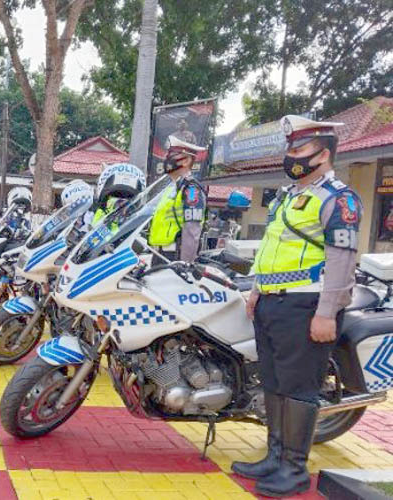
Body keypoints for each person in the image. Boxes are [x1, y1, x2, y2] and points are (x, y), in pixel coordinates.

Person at [231, 115, 361, 497]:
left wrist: (326, 311)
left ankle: (294, 468)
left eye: (300, 149)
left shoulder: (339, 199)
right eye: (290, 149)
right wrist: (257, 288)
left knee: (300, 387)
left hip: (307, 304)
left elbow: (341, 258)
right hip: (273, 303)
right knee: (274, 382)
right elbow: (272, 250)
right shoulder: (289, 196)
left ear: (324, 153)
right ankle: (274, 456)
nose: (292, 156)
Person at [147, 136, 208, 263]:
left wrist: (185, 264)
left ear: (185, 161)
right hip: (159, 254)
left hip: (174, 258)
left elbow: (192, 230)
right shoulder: (171, 188)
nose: (166, 158)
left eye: (171, 154)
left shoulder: (191, 189)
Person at [92, 163, 146, 228]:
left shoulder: (136, 223)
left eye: (129, 197)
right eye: (115, 195)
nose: (121, 203)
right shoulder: (99, 216)